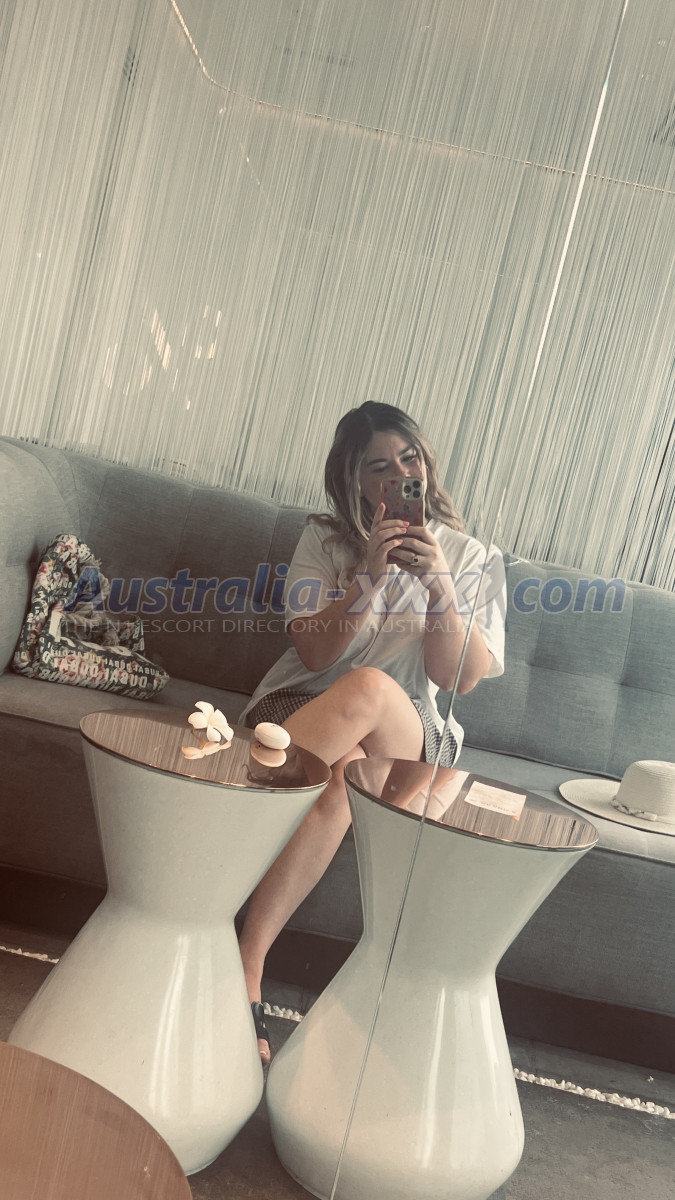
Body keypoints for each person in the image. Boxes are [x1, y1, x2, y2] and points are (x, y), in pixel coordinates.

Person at [238, 401, 505, 1061]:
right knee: (336, 786)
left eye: (408, 461)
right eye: (378, 467)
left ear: (426, 466)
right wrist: (366, 579)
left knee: (371, 689)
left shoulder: (470, 556)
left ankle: (223, 822)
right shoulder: (323, 541)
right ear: (352, 480)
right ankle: (246, 964)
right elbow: (315, 655)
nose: (397, 476)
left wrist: (440, 586)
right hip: (305, 709)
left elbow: (458, 678)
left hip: (408, 732)